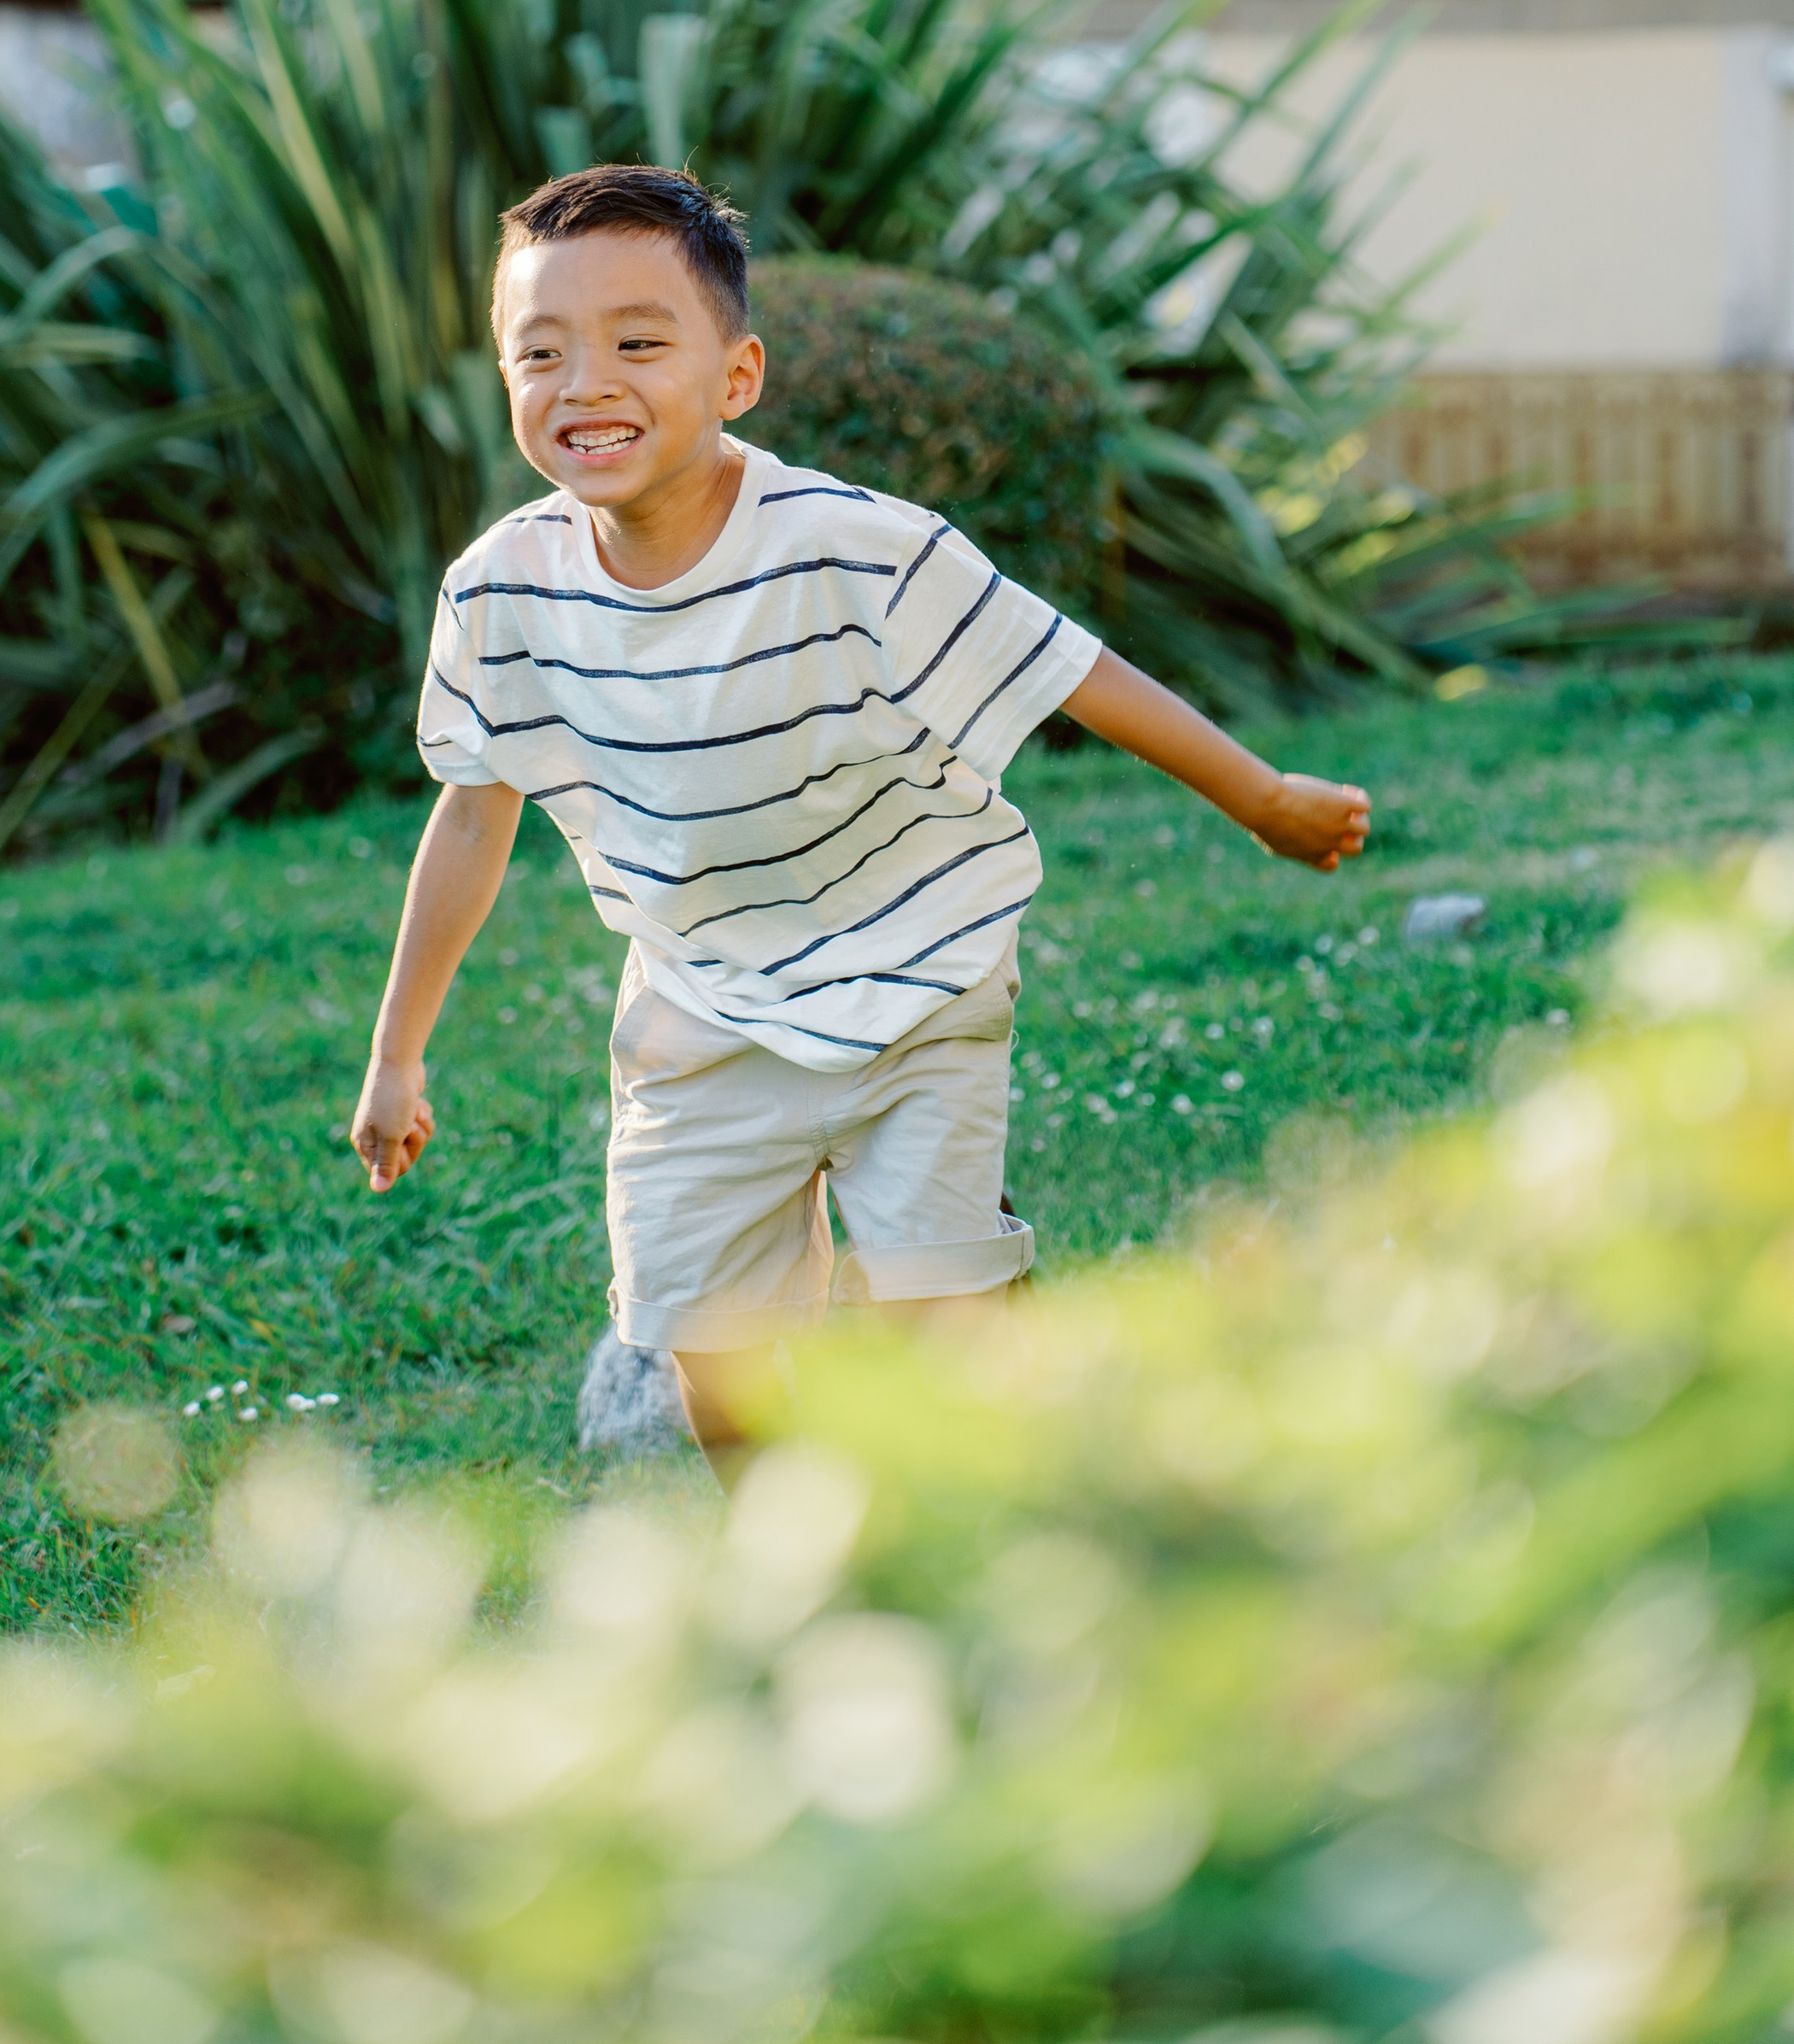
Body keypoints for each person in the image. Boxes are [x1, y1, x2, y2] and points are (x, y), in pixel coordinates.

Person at [349, 165, 1370, 1477]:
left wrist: (1264, 799)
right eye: (538, 352)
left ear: (738, 376)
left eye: (637, 342)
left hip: (919, 968)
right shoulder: (503, 592)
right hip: (704, 1009)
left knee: (938, 1340)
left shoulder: (855, 549)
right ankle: (801, 1570)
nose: (584, 381)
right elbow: (472, 817)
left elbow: (1072, 668)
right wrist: (397, 1056)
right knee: (710, 1353)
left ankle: (975, 1445)